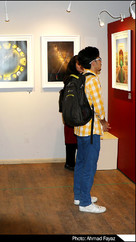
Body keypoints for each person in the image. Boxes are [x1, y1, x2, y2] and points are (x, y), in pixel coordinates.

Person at [74, 46, 111, 213]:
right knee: (89, 166)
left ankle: (80, 196)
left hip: (80, 129)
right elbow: (98, 106)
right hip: (91, 131)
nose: (101, 61)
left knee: (81, 163)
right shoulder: (93, 79)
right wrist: (103, 121)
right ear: (93, 62)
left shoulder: (81, 77)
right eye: (99, 59)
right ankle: (85, 203)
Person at [62, 55, 84, 171]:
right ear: (73, 65)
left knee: (73, 140)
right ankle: (70, 163)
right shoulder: (72, 79)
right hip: (72, 113)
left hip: (72, 113)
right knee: (71, 140)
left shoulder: (73, 78)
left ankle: (71, 163)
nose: (81, 66)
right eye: (78, 64)